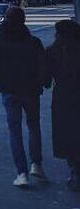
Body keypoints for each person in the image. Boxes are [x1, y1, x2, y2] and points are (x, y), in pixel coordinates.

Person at [0, 6, 49, 187]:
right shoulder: (33, 42)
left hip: (9, 91)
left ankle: (21, 173)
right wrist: (44, 82)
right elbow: (42, 66)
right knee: (34, 126)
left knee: (15, 131)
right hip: (30, 91)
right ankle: (36, 163)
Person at [45, 19, 80, 192]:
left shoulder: (52, 51)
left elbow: (45, 80)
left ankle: (75, 169)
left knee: (67, 133)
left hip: (62, 97)